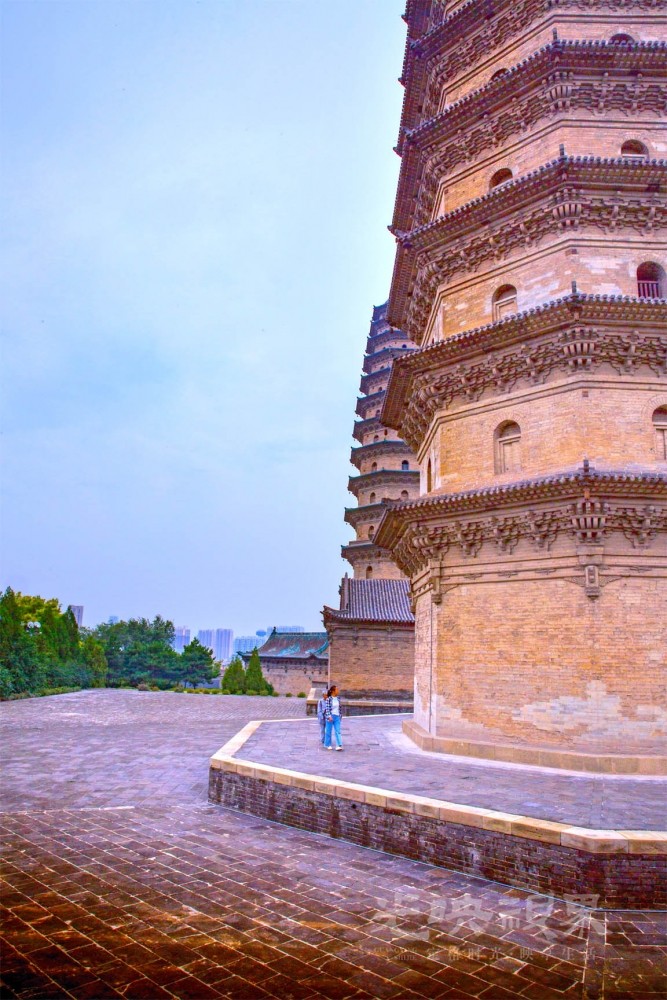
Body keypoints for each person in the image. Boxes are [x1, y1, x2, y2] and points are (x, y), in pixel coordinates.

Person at [323, 684, 343, 751]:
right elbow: (327, 708)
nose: (338, 691)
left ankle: (339, 745)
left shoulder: (338, 698)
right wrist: (329, 716)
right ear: (333, 691)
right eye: (336, 690)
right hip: (330, 717)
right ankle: (328, 744)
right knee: (328, 731)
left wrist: (340, 716)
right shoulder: (329, 699)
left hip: (337, 716)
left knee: (338, 731)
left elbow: (340, 708)